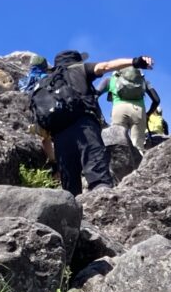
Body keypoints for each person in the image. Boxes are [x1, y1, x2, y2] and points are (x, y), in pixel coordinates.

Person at [36, 50, 153, 194]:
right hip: (84, 127)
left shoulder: (46, 83)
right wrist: (135, 61)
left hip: (59, 135)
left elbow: (41, 127)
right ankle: (105, 207)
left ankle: (72, 212)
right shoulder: (79, 69)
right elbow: (105, 66)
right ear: (77, 61)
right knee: (99, 179)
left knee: (70, 189)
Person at [101, 60, 160, 155]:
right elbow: (156, 100)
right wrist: (148, 114)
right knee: (138, 145)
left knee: (118, 142)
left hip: (118, 110)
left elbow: (94, 94)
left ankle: (120, 167)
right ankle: (139, 168)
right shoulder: (143, 81)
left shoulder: (110, 79)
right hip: (138, 111)